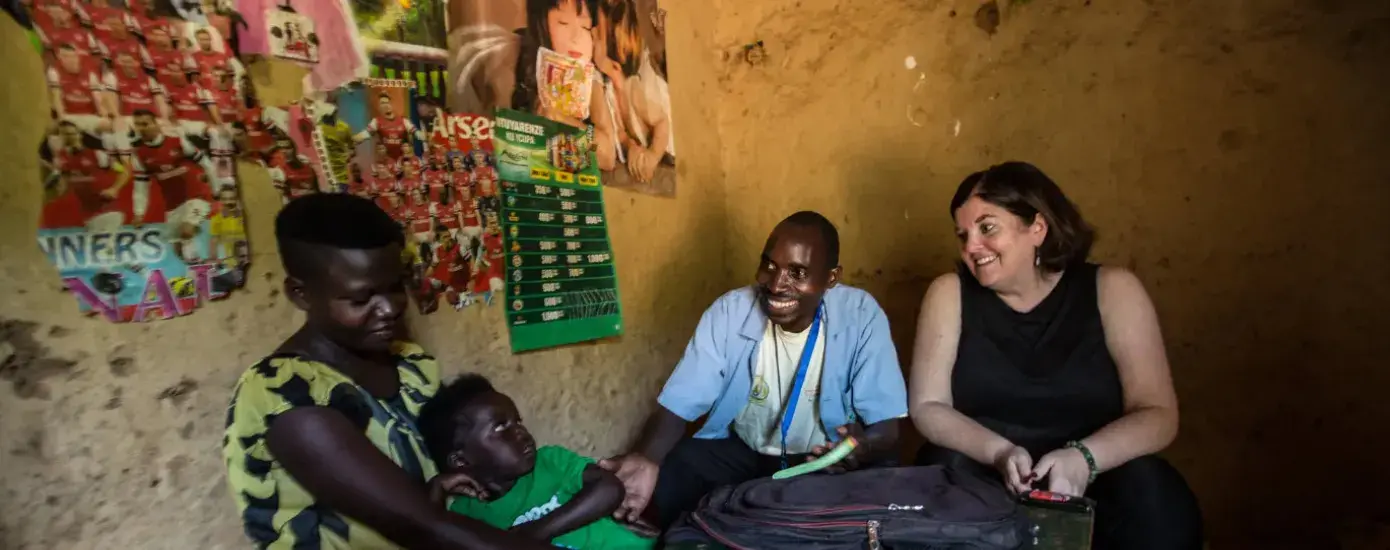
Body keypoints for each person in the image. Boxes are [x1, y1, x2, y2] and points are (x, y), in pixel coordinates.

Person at [221, 193, 552, 549]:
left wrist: (436, 485)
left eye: (395, 288)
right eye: (361, 298)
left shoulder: (409, 366)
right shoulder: (285, 396)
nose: (388, 309)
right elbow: (424, 527)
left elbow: (422, 496)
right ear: (301, 294)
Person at [909, 162, 1202, 549]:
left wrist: (1083, 458)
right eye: (963, 235)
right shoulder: (949, 293)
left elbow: (1159, 414)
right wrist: (999, 452)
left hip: (1097, 474)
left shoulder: (1113, 290)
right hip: (987, 473)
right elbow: (928, 406)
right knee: (942, 470)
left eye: (987, 227)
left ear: (1037, 228)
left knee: (1151, 488)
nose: (971, 247)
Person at [599, 211, 908, 528]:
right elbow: (680, 401)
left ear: (831, 278)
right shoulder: (730, 311)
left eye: (797, 272)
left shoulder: (860, 315)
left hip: (822, 461)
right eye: (770, 266)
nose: (776, 284)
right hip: (746, 453)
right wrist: (647, 458)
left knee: (879, 483)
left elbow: (886, 428)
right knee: (680, 464)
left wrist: (861, 447)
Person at [419, 374, 657, 549]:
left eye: (518, 421)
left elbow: (609, 489)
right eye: (501, 427)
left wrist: (532, 533)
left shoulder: (549, 461)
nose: (521, 432)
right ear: (461, 460)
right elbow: (433, 540)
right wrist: (437, 489)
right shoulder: (468, 515)